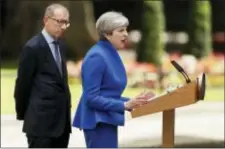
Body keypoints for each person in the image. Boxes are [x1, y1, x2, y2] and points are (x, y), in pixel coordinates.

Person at [72, 11, 155, 148]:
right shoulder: (97, 56)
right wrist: (124, 105)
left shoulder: (109, 52)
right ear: (107, 34)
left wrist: (132, 101)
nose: (126, 34)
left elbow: (108, 93)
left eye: (126, 30)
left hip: (106, 120)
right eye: (121, 30)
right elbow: (91, 98)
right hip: (97, 122)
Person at [14, 3, 71, 148]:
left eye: (66, 23)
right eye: (60, 22)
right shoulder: (32, 47)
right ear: (46, 20)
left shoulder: (61, 45)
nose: (63, 26)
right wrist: (24, 114)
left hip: (61, 126)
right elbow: (22, 85)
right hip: (40, 126)